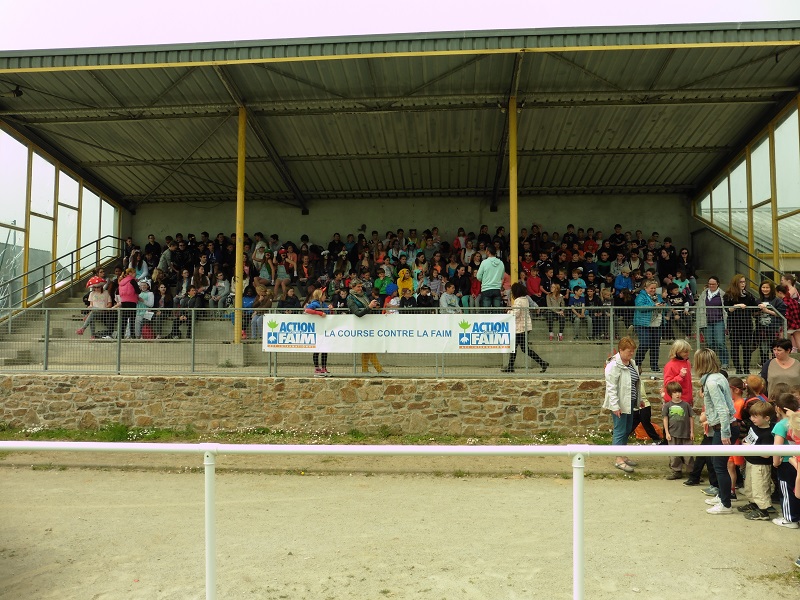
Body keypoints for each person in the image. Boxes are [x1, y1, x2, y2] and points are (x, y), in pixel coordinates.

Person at [694, 348, 739, 515]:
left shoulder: (712, 382)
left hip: (724, 428)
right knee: (717, 463)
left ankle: (726, 504)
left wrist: (725, 432)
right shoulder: (718, 376)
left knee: (720, 466)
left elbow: (722, 408)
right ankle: (722, 496)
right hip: (722, 426)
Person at [603, 337, 644, 473]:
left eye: (632, 351)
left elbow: (635, 383)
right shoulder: (613, 365)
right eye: (628, 351)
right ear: (620, 350)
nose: (631, 353)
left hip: (630, 401)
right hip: (620, 403)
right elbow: (611, 387)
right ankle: (618, 459)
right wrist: (615, 406)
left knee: (627, 428)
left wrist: (639, 399)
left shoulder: (631, 363)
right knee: (620, 430)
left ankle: (623, 454)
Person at [738, 400, 777, 521]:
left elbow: (766, 455)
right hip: (750, 462)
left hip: (760, 466)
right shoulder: (754, 426)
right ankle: (754, 504)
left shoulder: (768, 434)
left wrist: (750, 447)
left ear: (766, 418)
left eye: (755, 416)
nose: (752, 419)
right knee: (750, 485)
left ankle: (763, 511)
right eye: (751, 416)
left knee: (760, 487)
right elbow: (749, 437)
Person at [502, 282, 548, 374]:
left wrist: (508, 312)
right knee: (517, 348)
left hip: (520, 328)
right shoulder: (525, 299)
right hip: (525, 326)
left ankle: (542, 363)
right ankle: (511, 366)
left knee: (522, 348)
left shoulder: (518, 300)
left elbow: (516, 314)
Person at [346, 278, 386, 376]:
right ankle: (380, 370)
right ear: (353, 287)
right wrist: (369, 307)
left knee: (366, 348)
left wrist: (373, 306)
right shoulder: (350, 298)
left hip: (368, 324)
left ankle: (365, 370)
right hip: (359, 325)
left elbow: (367, 308)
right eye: (358, 287)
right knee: (369, 348)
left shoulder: (364, 295)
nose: (360, 288)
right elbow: (357, 313)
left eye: (361, 286)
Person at [772, 394, 800, 528]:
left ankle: (790, 519)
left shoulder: (781, 425)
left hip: (786, 462)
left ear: (778, 408)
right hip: (797, 462)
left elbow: (777, 447)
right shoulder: (798, 420)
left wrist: (775, 462)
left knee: (787, 491)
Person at [723, 274, 757, 374]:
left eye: (744, 282)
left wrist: (760, 305)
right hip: (734, 325)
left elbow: (754, 306)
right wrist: (737, 305)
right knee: (735, 347)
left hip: (747, 324)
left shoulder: (748, 295)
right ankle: (738, 369)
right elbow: (728, 309)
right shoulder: (728, 295)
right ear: (736, 283)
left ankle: (746, 368)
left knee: (747, 348)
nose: (743, 284)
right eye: (741, 282)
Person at [662, 380, 695, 480]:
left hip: (686, 433)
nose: (677, 394)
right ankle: (676, 471)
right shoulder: (667, 406)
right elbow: (665, 418)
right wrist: (667, 432)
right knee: (674, 454)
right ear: (670, 394)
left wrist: (692, 432)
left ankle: (692, 473)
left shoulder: (686, 405)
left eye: (679, 392)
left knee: (688, 454)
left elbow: (691, 417)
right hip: (673, 434)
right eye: (675, 392)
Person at [698, 276, 730, 368]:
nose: (711, 286)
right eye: (710, 284)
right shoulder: (703, 294)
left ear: (718, 284)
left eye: (713, 284)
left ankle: (724, 362)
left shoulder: (722, 294)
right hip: (706, 321)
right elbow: (699, 308)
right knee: (709, 343)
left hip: (719, 321)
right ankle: (711, 363)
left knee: (720, 342)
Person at [633, 280, 664, 374]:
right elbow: (640, 307)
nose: (653, 290)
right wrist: (654, 305)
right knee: (645, 344)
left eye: (655, 288)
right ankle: (637, 363)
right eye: (651, 288)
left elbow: (663, 303)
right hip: (643, 324)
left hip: (656, 324)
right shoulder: (640, 296)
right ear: (646, 288)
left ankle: (654, 366)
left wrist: (663, 305)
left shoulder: (658, 296)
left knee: (655, 346)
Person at [754, 280, 786, 367]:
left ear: (771, 288)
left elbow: (781, 314)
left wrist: (767, 310)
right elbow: (753, 313)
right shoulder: (758, 300)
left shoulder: (777, 301)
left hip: (773, 329)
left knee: (775, 349)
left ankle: (776, 366)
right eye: (763, 287)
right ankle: (764, 367)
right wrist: (758, 311)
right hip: (761, 329)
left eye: (767, 287)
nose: (765, 289)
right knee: (763, 349)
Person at [304, 288, 331, 376]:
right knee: (317, 350)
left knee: (324, 349)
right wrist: (319, 313)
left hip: (324, 329)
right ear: (319, 296)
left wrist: (330, 309)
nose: (325, 297)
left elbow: (328, 313)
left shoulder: (324, 304)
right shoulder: (314, 304)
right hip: (317, 330)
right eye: (324, 295)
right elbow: (307, 310)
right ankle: (317, 368)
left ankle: (324, 367)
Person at [662, 339, 693, 403]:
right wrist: (680, 376)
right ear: (678, 352)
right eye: (685, 352)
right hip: (674, 401)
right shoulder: (670, 365)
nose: (688, 353)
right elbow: (668, 384)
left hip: (686, 399)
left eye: (688, 351)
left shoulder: (687, 363)